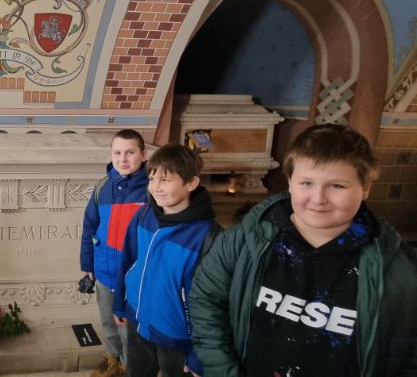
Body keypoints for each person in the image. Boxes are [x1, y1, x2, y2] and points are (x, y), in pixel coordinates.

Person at [190, 123, 417, 376]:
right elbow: (206, 301)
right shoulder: (244, 240)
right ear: (290, 182)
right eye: (306, 183)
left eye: (337, 186)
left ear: (365, 188)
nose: (318, 198)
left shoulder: (396, 268)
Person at [113, 143, 221, 377]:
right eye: (152, 179)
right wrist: (120, 302)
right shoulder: (143, 216)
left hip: (178, 338)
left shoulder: (208, 236)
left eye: (165, 180)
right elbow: (128, 261)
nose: (155, 188)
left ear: (191, 183)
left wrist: (200, 355)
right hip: (138, 321)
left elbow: (217, 303)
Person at [81, 129, 150, 377]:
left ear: (143, 155)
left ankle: (127, 365)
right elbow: (89, 227)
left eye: (130, 152)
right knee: (108, 322)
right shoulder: (103, 187)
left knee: (128, 328)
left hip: (132, 277)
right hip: (104, 272)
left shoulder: (151, 190)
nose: (123, 159)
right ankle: (111, 358)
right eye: (117, 153)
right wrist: (87, 266)